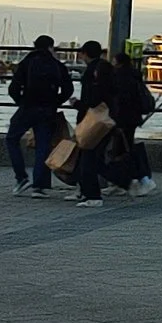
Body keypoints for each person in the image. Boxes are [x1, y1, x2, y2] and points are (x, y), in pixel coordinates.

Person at [4, 35, 73, 198]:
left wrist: (21, 101)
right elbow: (68, 90)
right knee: (43, 145)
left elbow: (13, 88)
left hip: (28, 107)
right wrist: (56, 101)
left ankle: (21, 177)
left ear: (35, 46)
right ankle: (39, 186)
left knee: (12, 139)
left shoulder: (27, 62)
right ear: (51, 47)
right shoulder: (57, 65)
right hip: (47, 110)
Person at [71, 42, 117, 208]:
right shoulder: (106, 68)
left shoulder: (92, 72)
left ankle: (92, 195)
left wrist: (77, 104)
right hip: (107, 118)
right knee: (94, 157)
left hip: (94, 120)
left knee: (88, 157)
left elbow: (92, 100)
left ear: (85, 54)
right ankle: (89, 191)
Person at [112, 53, 157, 198]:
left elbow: (120, 101)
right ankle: (124, 182)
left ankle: (141, 179)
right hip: (133, 117)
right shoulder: (134, 75)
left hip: (123, 119)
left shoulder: (119, 78)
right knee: (126, 148)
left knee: (123, 151)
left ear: (117, 62)